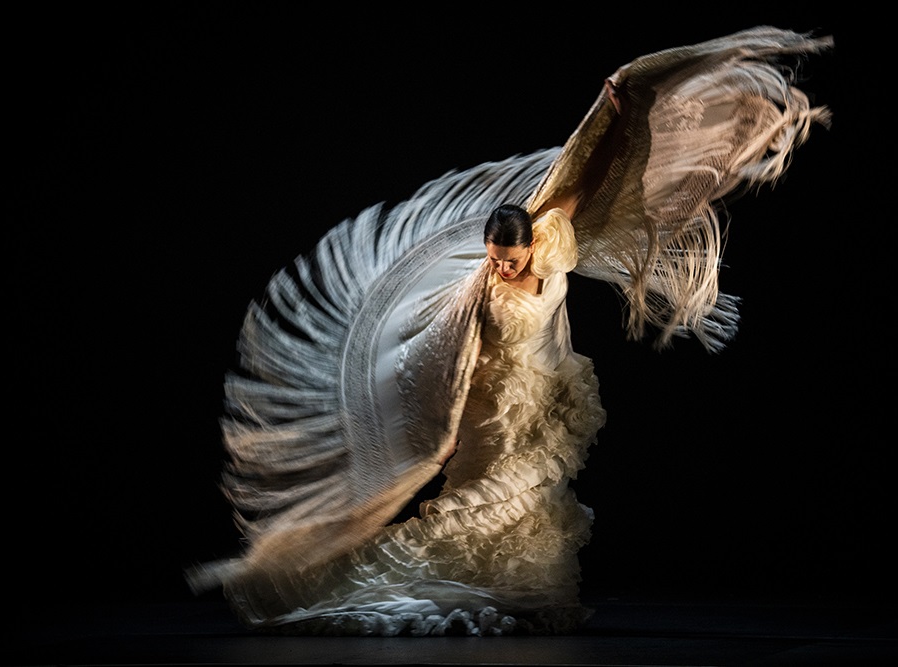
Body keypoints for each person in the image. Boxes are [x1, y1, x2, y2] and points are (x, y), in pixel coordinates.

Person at [187, 26, 832, 637]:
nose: (501, 267)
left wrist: (615, 111)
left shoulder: (550, 237)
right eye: (494, 257)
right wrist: (441, 433)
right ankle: (406, 581)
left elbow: (586, 174)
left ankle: (512, 590)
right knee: (482, 501)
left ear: (530, 241)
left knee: (533, 508)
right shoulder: (479, 287)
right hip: (491, 403)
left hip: (544, 395)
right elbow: (456, 353)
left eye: (509, 258)